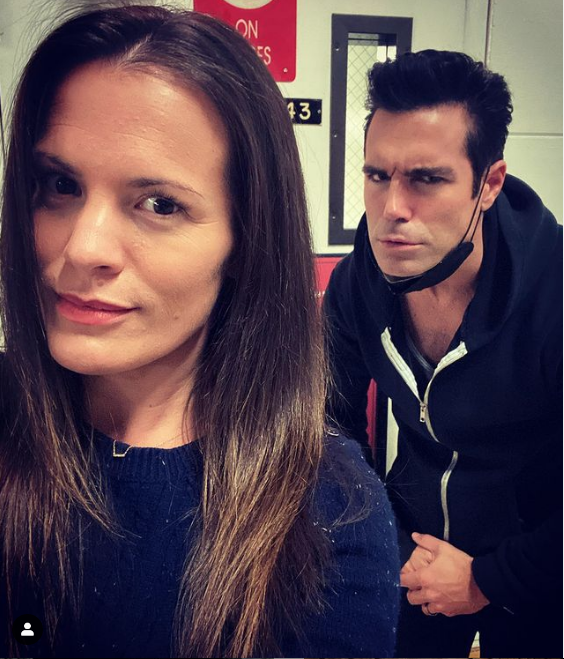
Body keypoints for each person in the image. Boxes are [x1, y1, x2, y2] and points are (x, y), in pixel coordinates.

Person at [0, 6, 400, 658]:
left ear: (245, 240)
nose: (82, 247)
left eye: (159, 204)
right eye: (60, 184)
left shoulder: (329, 515)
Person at [324, 49, 562, 658]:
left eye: (426, 179)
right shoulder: (358, 283)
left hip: (538, 563)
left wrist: (489, 579)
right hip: (416, 555)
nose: (392, 209)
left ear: (489, 184)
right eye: (378, 176)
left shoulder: (554, 291)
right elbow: (329, 425)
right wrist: (384, 533)